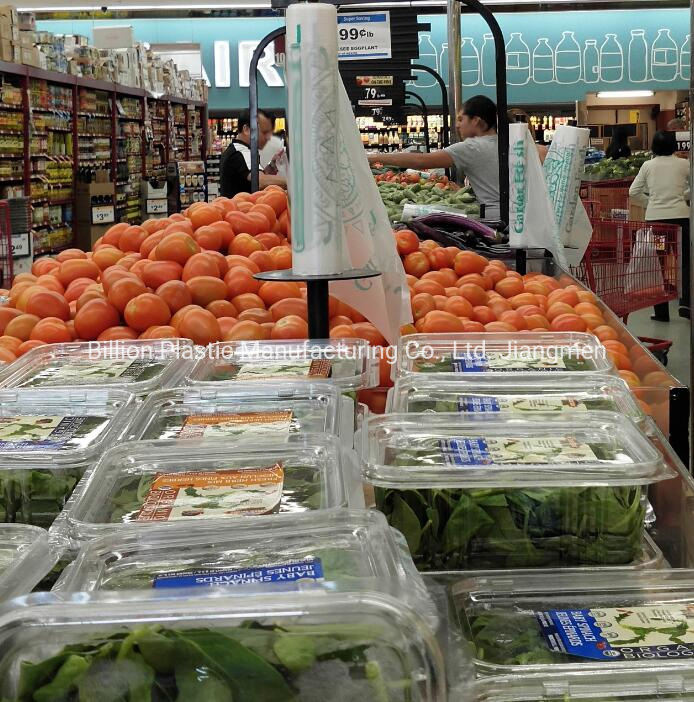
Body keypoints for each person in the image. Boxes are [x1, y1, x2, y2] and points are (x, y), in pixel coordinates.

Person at [366, 95, 500, 221]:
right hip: (512, 214)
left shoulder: (472, 147)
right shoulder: (507, 142)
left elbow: (421, 160)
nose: (457, 125)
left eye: (461, 119)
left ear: (476, 121)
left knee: (415, 213)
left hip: (491, 216)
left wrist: (373, 158)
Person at [629, 130, 690, 320]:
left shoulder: (648, 166)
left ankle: (661, 312)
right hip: (681, 219)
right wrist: (682, 197)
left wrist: (652, 202)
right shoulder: (684, 164)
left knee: (659, 265)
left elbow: (633, 191)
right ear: (674, 145)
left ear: (654, 146)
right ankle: (686, 303)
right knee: (685, 262)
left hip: (657, 222)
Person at [219, 109, 286, 198]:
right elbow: (259, 181)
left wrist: (272, 165)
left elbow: (249, 179)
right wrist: (292, 182)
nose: (268, 138)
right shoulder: (241, 152)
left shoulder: (236, 150)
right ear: (246, 129)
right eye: (263, 132)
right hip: (242, 209)